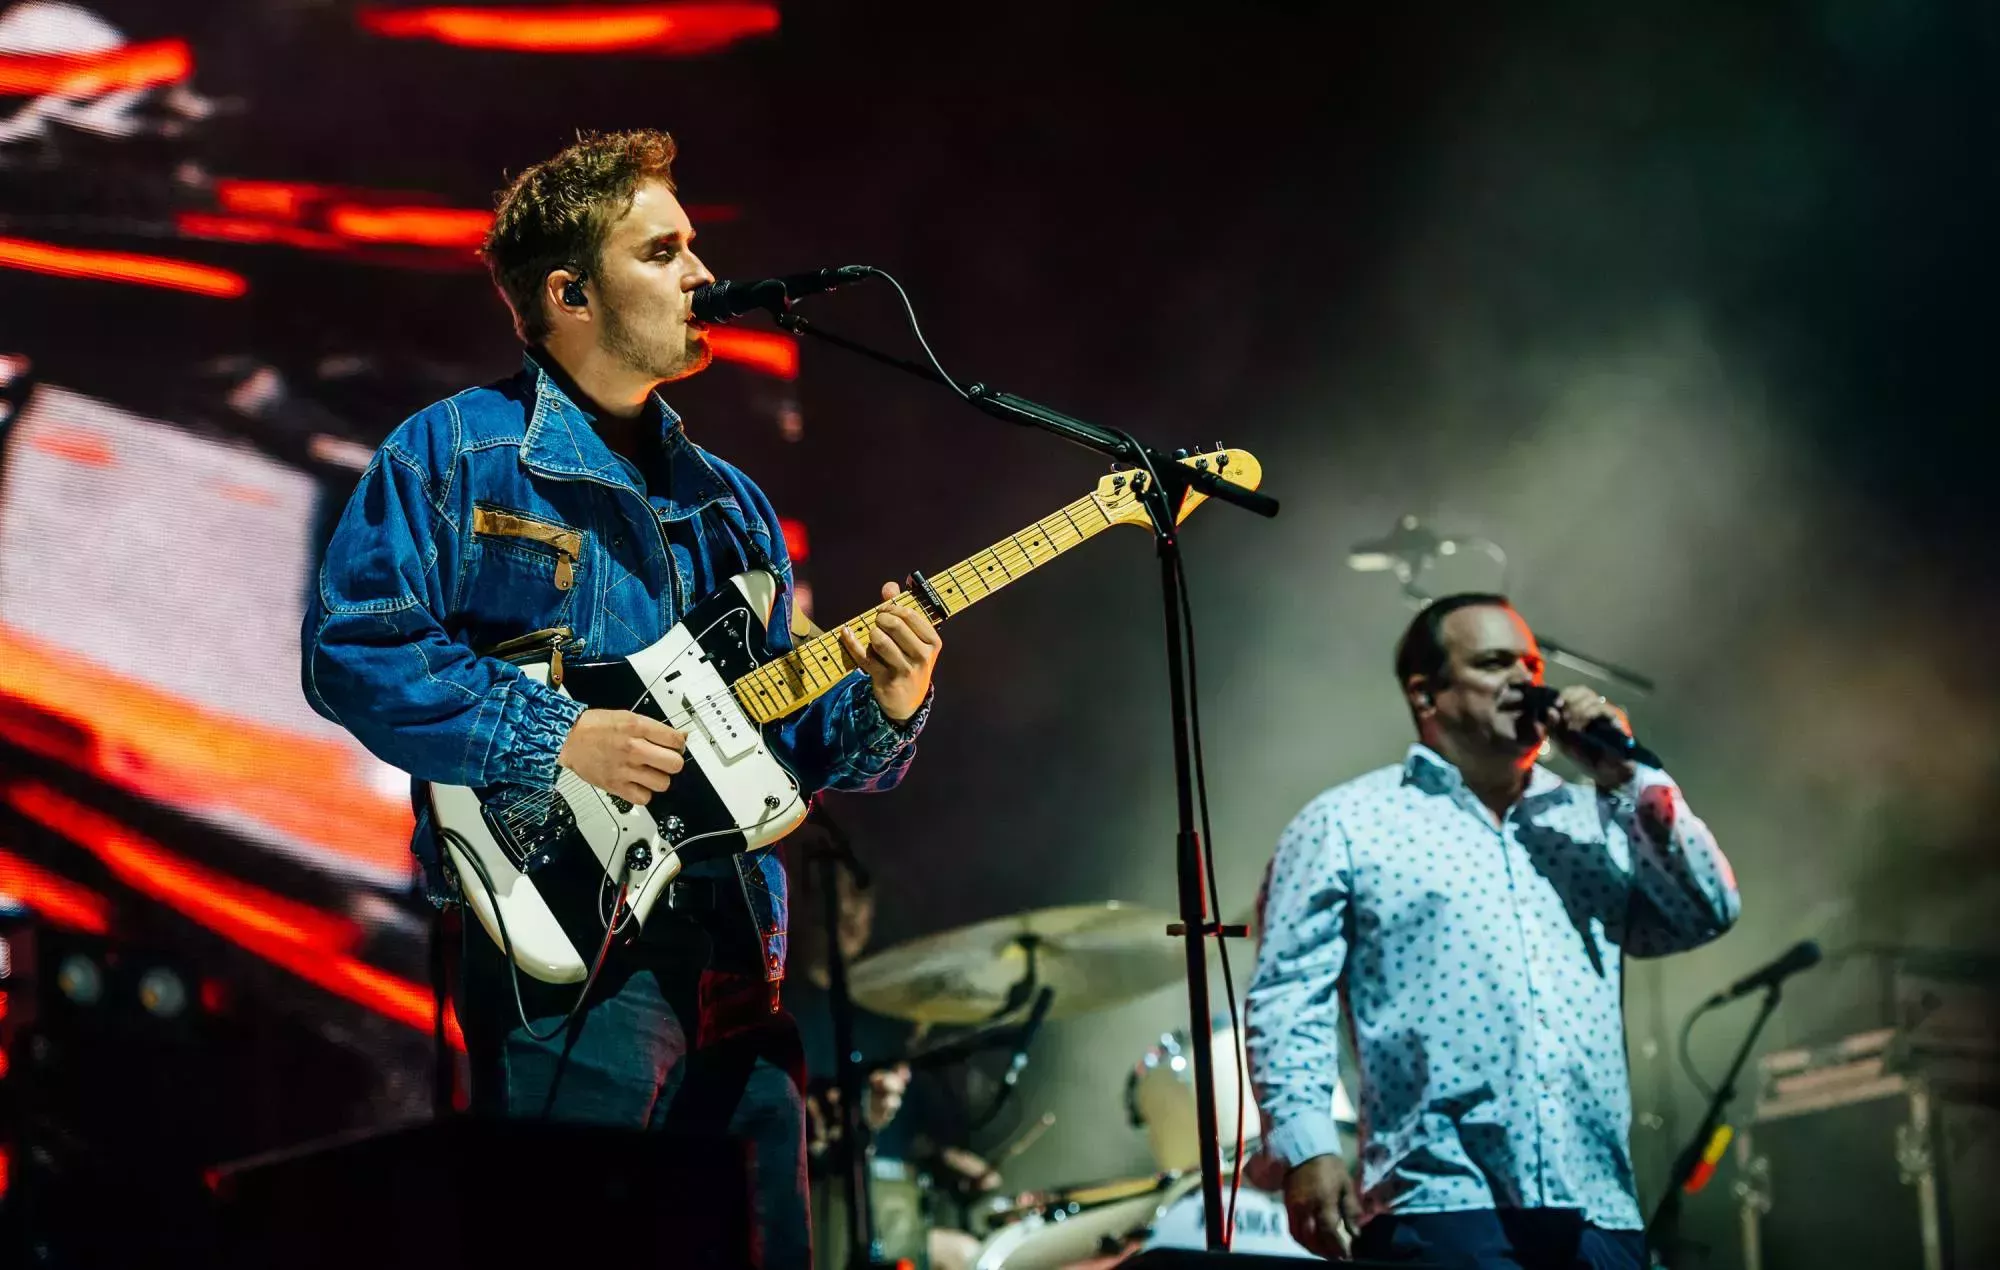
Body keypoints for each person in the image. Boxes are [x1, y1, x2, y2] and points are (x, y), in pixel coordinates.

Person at [300, 129, 943, 1267]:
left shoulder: (730, 501)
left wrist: (884, 706)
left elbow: (783, 747)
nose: (703, 275)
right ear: (569, 292)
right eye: (664, 251)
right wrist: (558, 733)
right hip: (563, 953)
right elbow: (354, 653)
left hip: (738, 956)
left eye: (695, 247)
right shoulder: (451, 454)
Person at [1244, 593, 1738, 1268]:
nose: (1525, 682)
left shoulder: (1589, 816)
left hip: (1597, 1207)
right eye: (1494, 663)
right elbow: (1288, 997)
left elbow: (1705, 910)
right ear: (1427, 695)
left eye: (1532, 665)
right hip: (1444, 1205)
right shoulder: (1348, 823)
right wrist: (1306, 1146)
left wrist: (1627, 777)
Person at [782, 816, 997, 1270]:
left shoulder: (886, 1017)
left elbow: (907, 1137)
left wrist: (942, 1158)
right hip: (817, 1209)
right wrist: (834, 1125)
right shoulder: (781, 1010)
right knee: (965, 1258)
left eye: (863, 898)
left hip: (891, 1202)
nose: (851, 913)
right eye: (838, 895)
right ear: (807, 903)